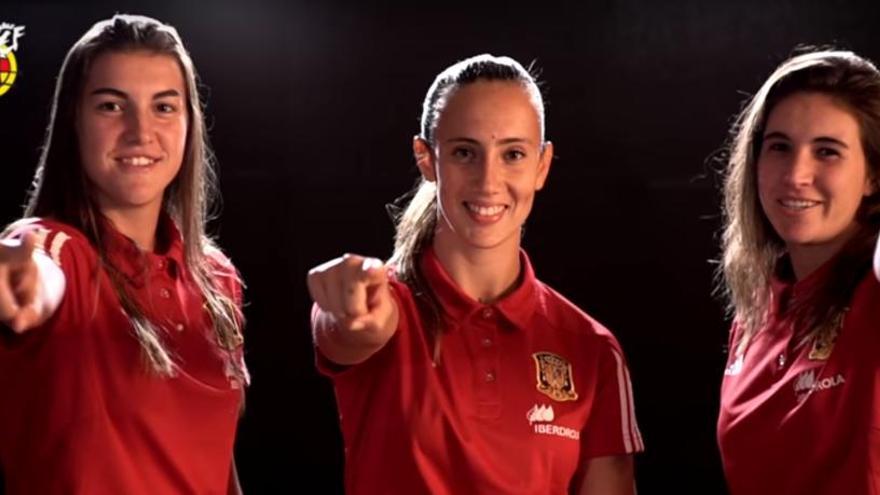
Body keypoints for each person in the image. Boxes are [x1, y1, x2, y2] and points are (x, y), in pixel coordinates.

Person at [308, 54, 643, 494]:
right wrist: (347, 314)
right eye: (465, 152)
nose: (489, 180)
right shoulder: (379, 304)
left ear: (542, 166)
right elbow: (348, 332)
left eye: (513, 154)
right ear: (426, 159)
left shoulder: (592, 348)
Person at [0, 14, 248, 495]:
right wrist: (19, 284)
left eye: (163, 107)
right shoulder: (53, 250)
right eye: (112, 106)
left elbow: (216, 461)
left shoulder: (218, 279)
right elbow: (37, 275)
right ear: (74, 120)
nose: (140, 131)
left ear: (189, 123)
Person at [716, 48, 880, 494]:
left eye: (827, 152)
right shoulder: (756, 313)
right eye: (780, 147)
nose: (796, 174)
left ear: (874, 176)